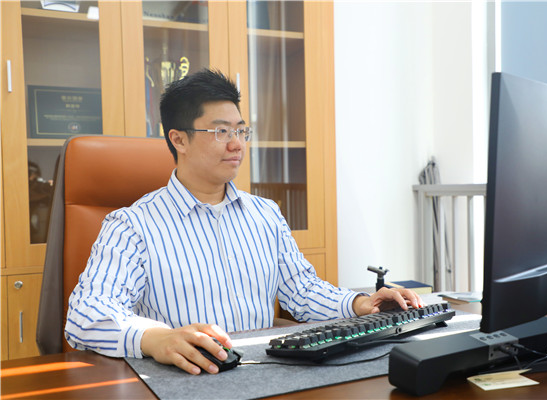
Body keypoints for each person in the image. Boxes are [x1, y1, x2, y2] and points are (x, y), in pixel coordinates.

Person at [65, 69, 424, 376]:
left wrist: (362, 304)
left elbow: (303, 290)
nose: (237, 144)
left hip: (265, 374)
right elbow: (86, 315)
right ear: (179, 140)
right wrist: (157, 339)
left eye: (241, 131)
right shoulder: (132, 225)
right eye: (221, 132)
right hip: (186, 379)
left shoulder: (265, 214)